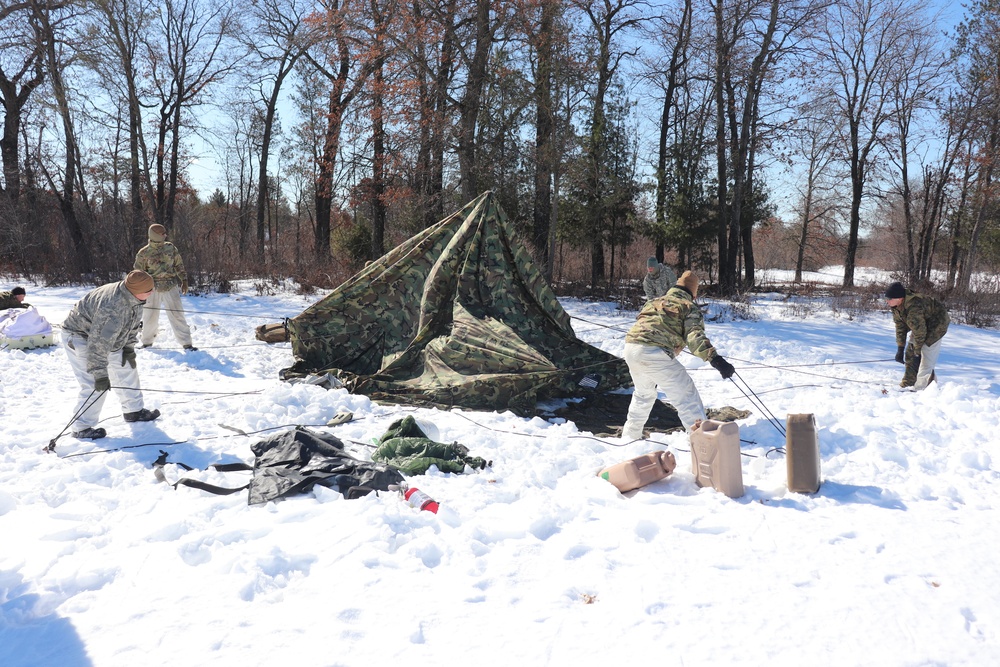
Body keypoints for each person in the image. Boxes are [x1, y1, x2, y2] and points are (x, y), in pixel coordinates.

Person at [621, 270, 735, 439]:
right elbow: (694, 335)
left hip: (631, 348)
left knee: (643, 395)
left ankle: (629, 437)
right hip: (654, 353)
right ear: (694, 294)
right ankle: (703, 441)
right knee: (687, 396)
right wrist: (715, 359)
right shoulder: (688, 306)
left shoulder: (654, 301)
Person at [61, 271, 161, 440]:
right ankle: (81, 427)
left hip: (107, 336)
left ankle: (133, 411)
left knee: (125, 366)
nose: (152, 292)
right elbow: (98, 346)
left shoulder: (133, 294)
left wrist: (128, 347)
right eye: (148, 290)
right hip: (80, 335)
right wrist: (100, 373)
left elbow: (132, 323)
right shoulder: (112, 308)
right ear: (137, 291)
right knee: (95, 383)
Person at [134, 223, 196, 350]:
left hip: (170, 286)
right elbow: (138, 273)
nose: (165, 235)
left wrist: (184, 280)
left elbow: (179, 265)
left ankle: (186, 343)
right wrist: (138, 289)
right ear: (155, 235)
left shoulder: (170, 248)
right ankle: (147, 342)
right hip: (151, 289)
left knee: (177, 315)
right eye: (162, 234)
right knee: (149, 316)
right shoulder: (144, 253)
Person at [885, 281, 949, 390]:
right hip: (921, 323)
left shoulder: (914, 306)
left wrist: (917, 352)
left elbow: (920, 332)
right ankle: (909, 382)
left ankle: (923, 387)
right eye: (886, 298)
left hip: (937, 324)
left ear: (899, 298)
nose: (887, 301)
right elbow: (900, 327)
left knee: (926, 355)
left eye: (889, 299)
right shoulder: (896, 306)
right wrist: (900, 348)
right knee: (910, 352)